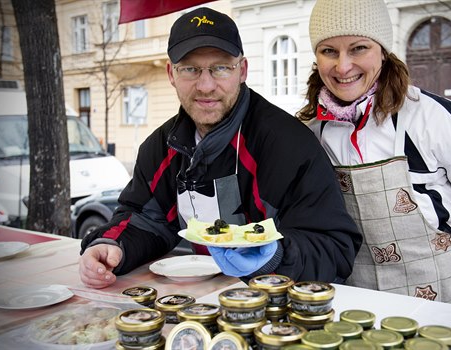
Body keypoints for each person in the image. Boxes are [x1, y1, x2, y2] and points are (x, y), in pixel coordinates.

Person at [78, 7, 361, 289]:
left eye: (221, 67)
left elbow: (335, 248)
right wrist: (112, 246)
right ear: (171, 74)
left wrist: (274, 257)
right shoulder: (160, 147)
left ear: (243, 71)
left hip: (280, 307)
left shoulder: (287, 144)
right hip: (201, 304)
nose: (205, 85)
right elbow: (145, 218)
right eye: (190, 69)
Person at [299, 0, 451, 307]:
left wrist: (446, 236)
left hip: (449, 301)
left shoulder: (434, 118)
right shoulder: (309, 131)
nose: (343, 66)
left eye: (358, 48)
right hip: (362, 307)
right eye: (329, 51)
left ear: (383, 50)